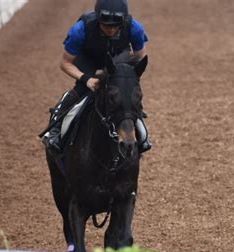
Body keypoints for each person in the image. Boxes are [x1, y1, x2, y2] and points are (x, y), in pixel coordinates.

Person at [43, 0, 152, 154]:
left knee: (128, 98)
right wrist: (86, 79)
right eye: (107, 25)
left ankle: (142, 136)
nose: (112, 29)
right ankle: (55, 130)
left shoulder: (135, 28)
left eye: (116, 25)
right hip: (88, 64)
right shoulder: (79, 30)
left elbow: (141, 59)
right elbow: (65, 63)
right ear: (98, 19)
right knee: (78, 93)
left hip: (117, 62)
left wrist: (125, 77)